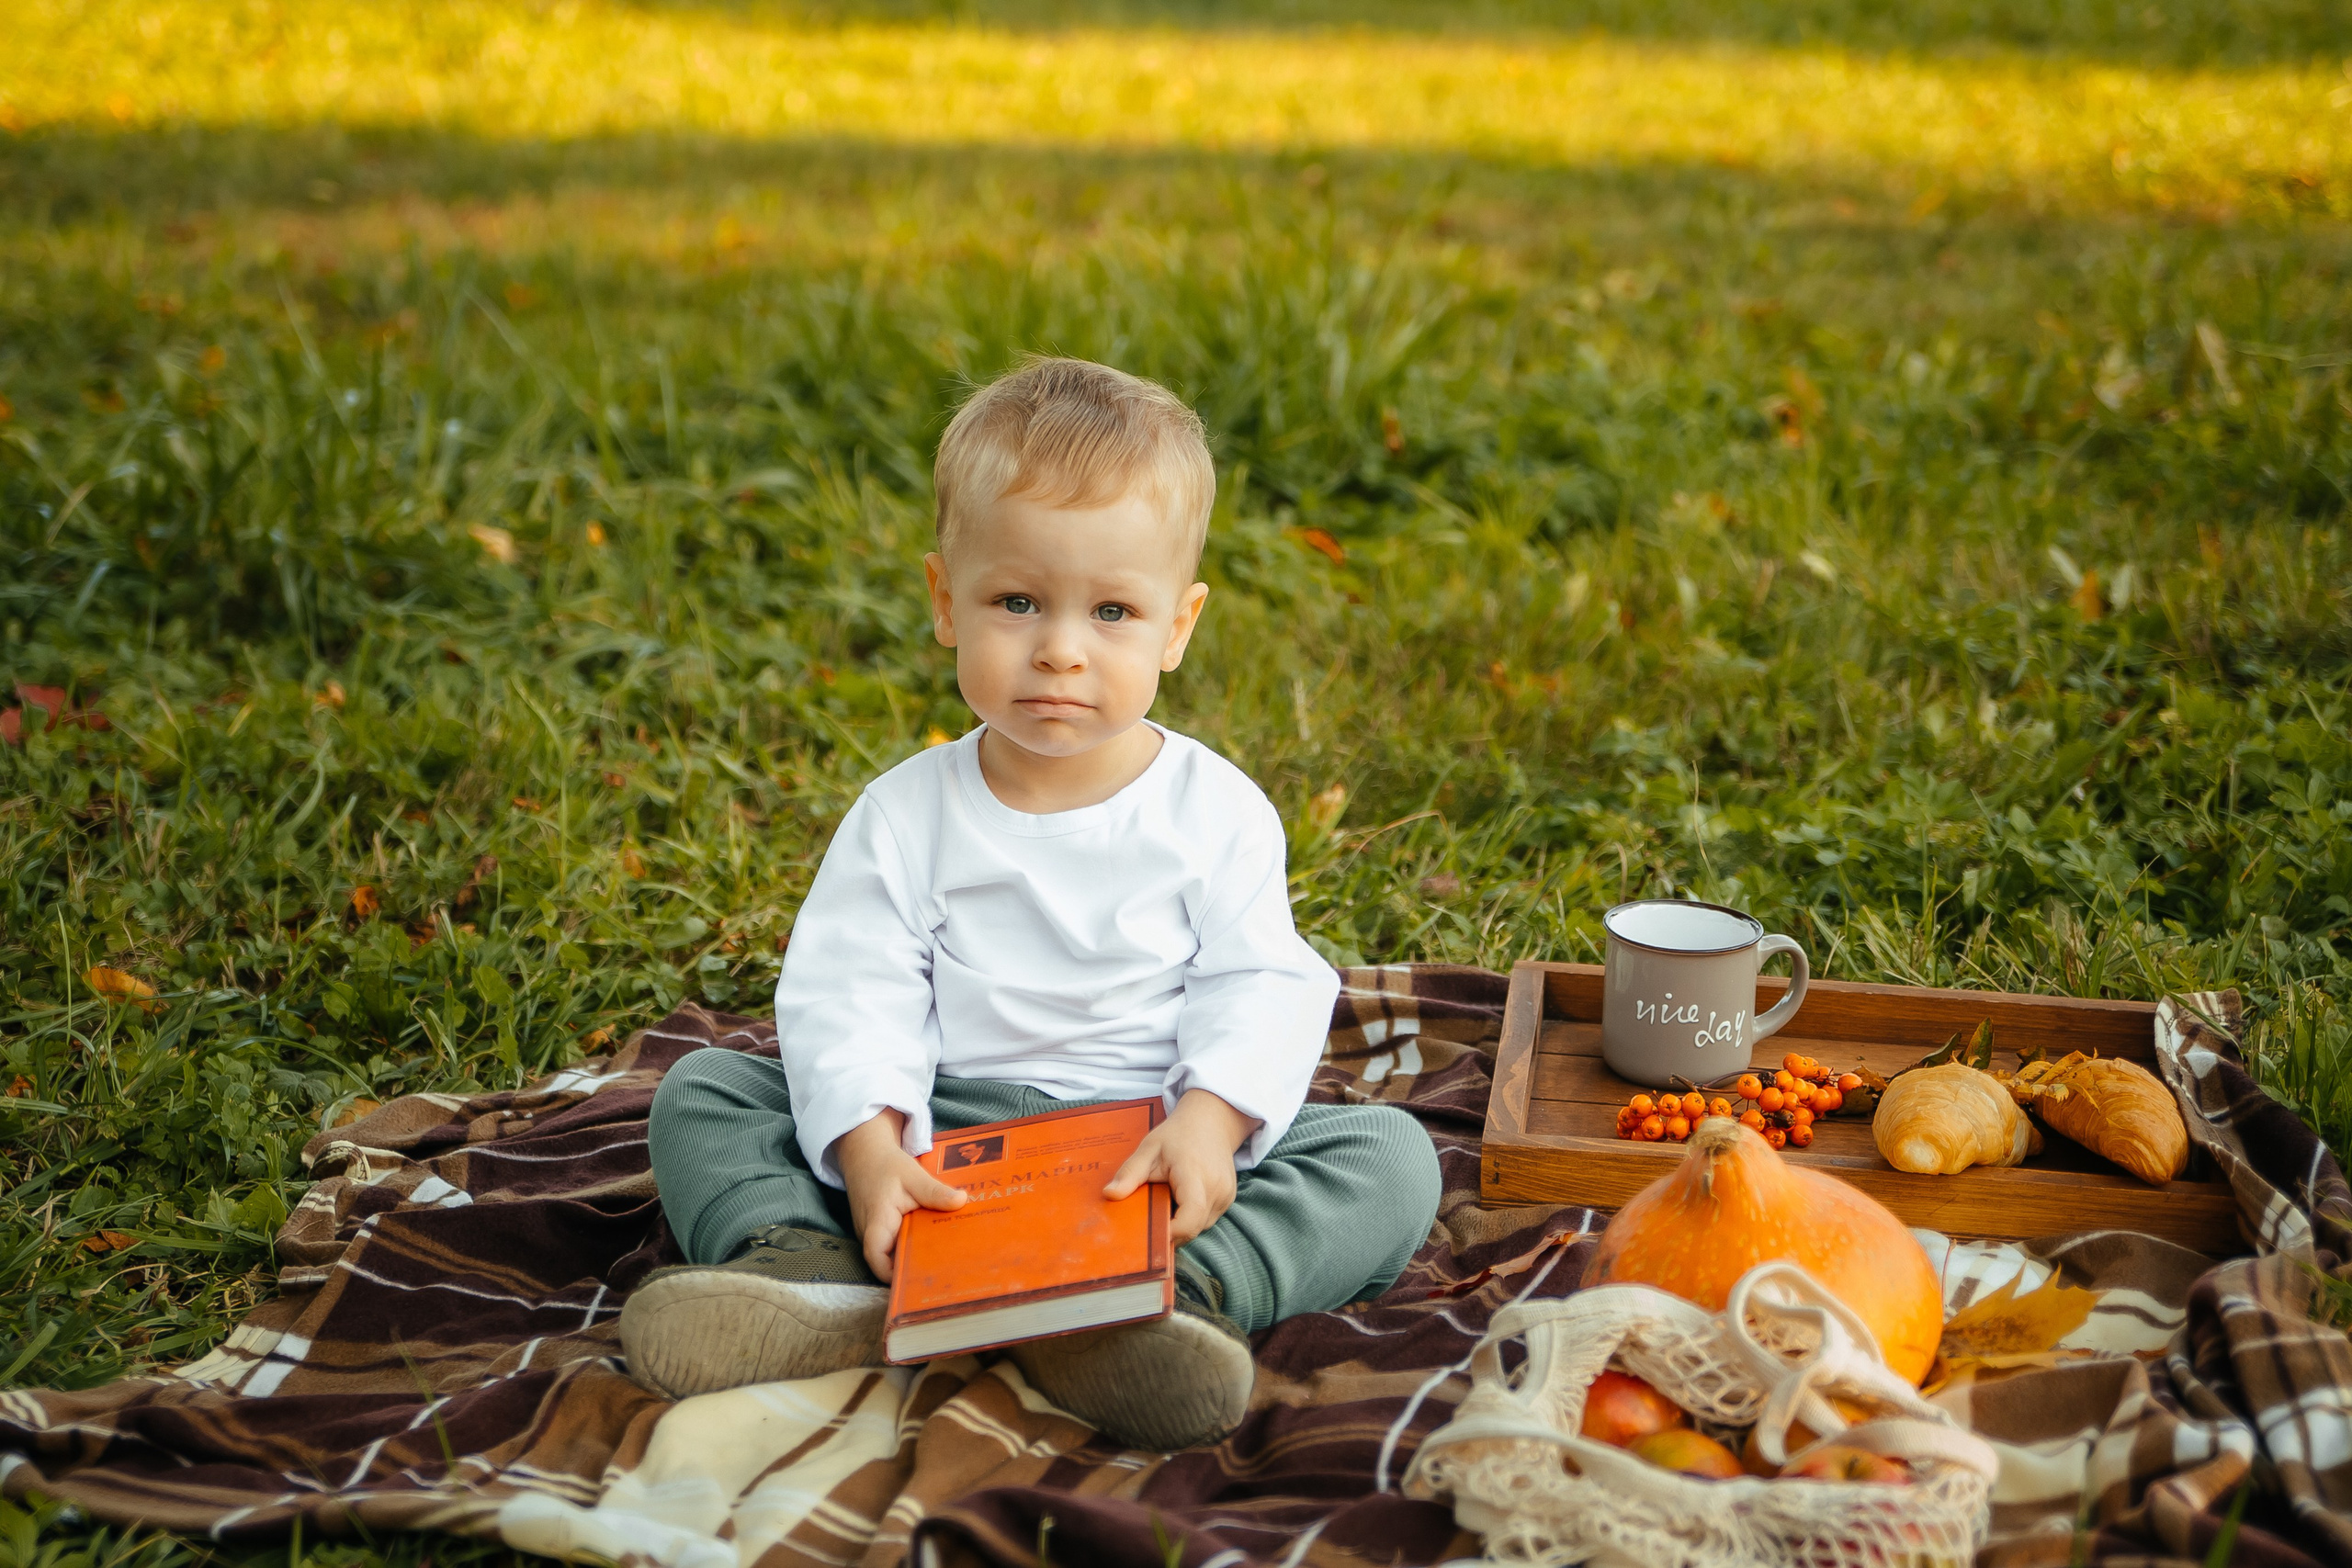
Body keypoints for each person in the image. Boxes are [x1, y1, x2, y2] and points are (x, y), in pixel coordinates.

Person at [618, 357, 1442, 1450]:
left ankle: (1167, 1304)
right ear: (944, 603)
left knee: (1387, 1155)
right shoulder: (907, 813)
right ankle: (812, 1277)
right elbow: (848, 989)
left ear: (1178, 628)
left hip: (1134, 1159)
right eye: (1017, 602)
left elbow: (1261, 982)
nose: (1059, 647)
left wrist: (1209, 1123)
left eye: (1111, 610)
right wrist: (870, 1152)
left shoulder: (1216, 810)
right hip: (944, 1143)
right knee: (707, 1092)